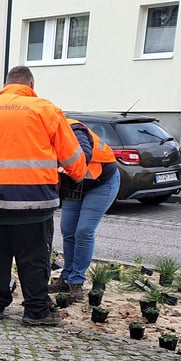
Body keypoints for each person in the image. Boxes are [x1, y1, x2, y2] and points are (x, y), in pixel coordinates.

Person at [0, 66, 87, 325]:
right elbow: (73, 158)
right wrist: (78, 174)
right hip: (32, 200)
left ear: (5, 85)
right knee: (33, 257)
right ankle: (36, 310)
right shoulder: (45, 109)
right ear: (31, 85)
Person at [51, 119, 120, 301]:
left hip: (102, 182)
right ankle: (66, 277)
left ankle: (77, 281)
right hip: (77, 183)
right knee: (68, 229)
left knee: (84, 231)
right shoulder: (43, 134)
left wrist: (61, 165)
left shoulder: (74, 130)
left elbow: (84, 154)